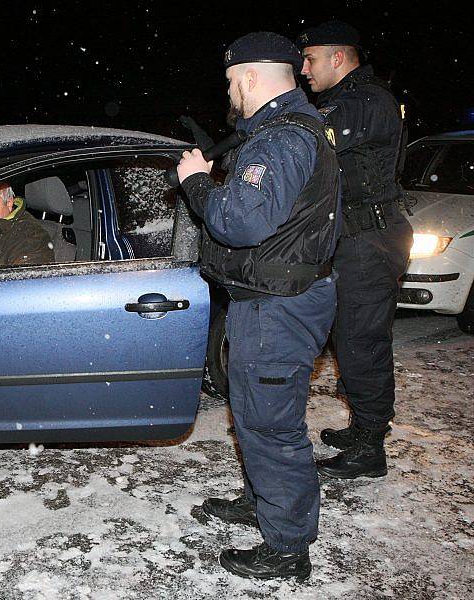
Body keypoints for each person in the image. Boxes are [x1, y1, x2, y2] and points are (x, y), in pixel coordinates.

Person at [177, 32, 340, 580]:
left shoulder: (282, 140)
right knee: (252, 415)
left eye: (230, 80)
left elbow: (241, 221)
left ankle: (288, 546)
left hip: (280, 308)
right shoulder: (284, 132)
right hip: (272, 300)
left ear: (249, 77)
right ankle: (263, 499)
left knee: (272, 426)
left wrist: (198, 185)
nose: (229, 90)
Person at [297, 21, 413, 480]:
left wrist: (272, 115)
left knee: (362, 342)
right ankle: (364, 426)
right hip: (355, 237)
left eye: (311, 59)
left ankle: (370, 447)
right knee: (350, 338)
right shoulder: (349, 100)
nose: (304, 69)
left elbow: (315, 137)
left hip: (368, 240)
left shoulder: (366, 102)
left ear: (339, 58)